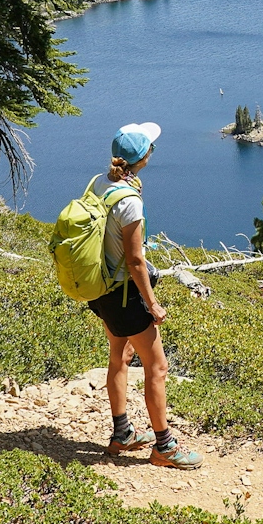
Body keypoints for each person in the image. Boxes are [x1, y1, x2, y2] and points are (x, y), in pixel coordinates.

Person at [88, 122, 202, 470]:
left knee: (118, 357)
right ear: (144, 157)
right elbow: (136, 260)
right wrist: (152, 303)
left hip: (101, 290)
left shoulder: (100, 183)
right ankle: (164, 446)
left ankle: (122, 433)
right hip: (126, 296)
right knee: (157, 367)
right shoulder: (131, 203)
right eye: (151, 147)